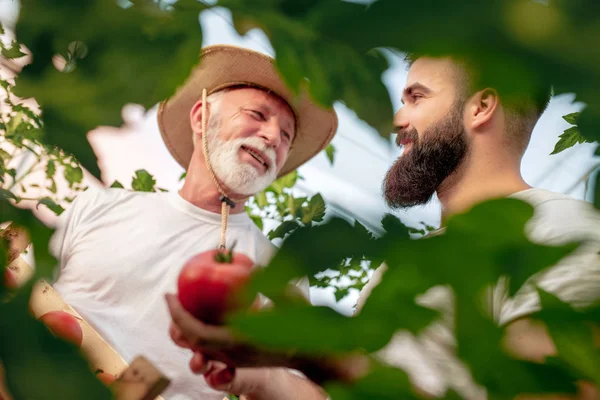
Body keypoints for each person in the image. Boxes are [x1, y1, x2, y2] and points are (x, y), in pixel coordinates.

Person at [166, 54, 600, 399]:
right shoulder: (399, 270)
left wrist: (313, 353)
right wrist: (262, 374)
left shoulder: (562, 232)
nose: (397, 120)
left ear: (481, 107)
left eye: (416, 97)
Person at [49, 44, 338, 400]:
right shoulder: (101, 207)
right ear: (201, 117)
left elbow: (303, 393)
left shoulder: (279, 273)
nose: (272, 138)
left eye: (286, 136)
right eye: (258, 115)